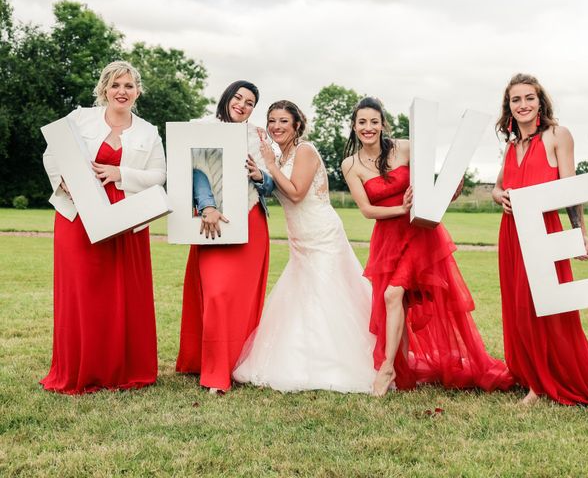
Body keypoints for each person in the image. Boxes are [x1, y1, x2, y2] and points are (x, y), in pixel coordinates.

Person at [342, 97, 514, 396]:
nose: (368, 128)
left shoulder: (406, 147)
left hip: (419, 234)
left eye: (374, 121)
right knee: (401, 303)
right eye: (362, 122)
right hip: (387, 239)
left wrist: (450, 191)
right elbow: (368, 211)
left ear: (383, 123)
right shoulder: (350, 164)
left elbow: (430, 187)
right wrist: (400, 208)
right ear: (354, 126)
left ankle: (387, 368)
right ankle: (402, 369)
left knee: (392, 294)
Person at [493, 73, 588, 405]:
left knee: (545, 306)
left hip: (544, 231)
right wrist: (499, 197)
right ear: (508, 107)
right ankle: (530, 374)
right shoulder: (511, 147)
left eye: (529, 98)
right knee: (518, 306)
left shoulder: (557, 135)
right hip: (512, 234)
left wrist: (578, 232)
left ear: (540, 102)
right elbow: (498, 186)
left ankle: (542, 384)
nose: (523, 105)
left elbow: (570, 191)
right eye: (516, 99)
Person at [233, 100, 376, 393]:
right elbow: (276, 187)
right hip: (299, 237)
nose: (276, 126)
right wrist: (262, 175)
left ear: (297, 124)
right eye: (272, 120)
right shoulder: (280, 153)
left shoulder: (305, 150)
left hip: (321, 233)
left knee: (328, 293)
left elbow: (297, 192)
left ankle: (334, 364)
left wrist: (269, 166)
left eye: (283, 121)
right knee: (302, 294)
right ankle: (299, 359)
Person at [41, 61, 165, 394]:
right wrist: (63, 179)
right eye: (115, 85)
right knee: (82, 291)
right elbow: (52, 154)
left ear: (137, 91)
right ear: (104, 89)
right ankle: (81, 367)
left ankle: (122, 369)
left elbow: (159, 176)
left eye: (128, 86)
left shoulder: (148, 131)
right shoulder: (80, 118)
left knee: (121, 291)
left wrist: (120, 174)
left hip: (125, 219)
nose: (121, 92)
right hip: (78, 214)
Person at [176, 80, 275, 394]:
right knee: (217, 295)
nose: (242, 105)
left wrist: (263, 177)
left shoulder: (258, 137)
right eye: (238, 98)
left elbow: (272, 183)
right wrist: (207, 206)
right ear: (227, 98)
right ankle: (214, 370)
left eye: (249, 102)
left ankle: (238, 364)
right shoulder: (203, 128)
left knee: (242, 299)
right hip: (214, 222)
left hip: (252, 220)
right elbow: (197, 170)